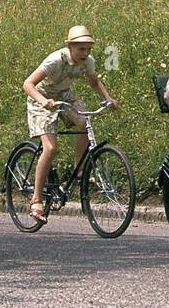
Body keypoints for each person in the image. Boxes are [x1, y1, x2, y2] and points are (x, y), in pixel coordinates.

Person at [22, 26, 117, 223]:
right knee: (50, 148)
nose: (86, 53)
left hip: (63, 97)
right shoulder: (55, 60)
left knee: (84, 121)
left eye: (88, 49)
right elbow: (28, 84)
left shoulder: (88, 62)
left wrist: (108, 98)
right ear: (70, 46)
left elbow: (94, 82)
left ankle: (79, 170)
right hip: (42, 99)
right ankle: (36, 200)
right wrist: (42, 101)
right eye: (81, 49)